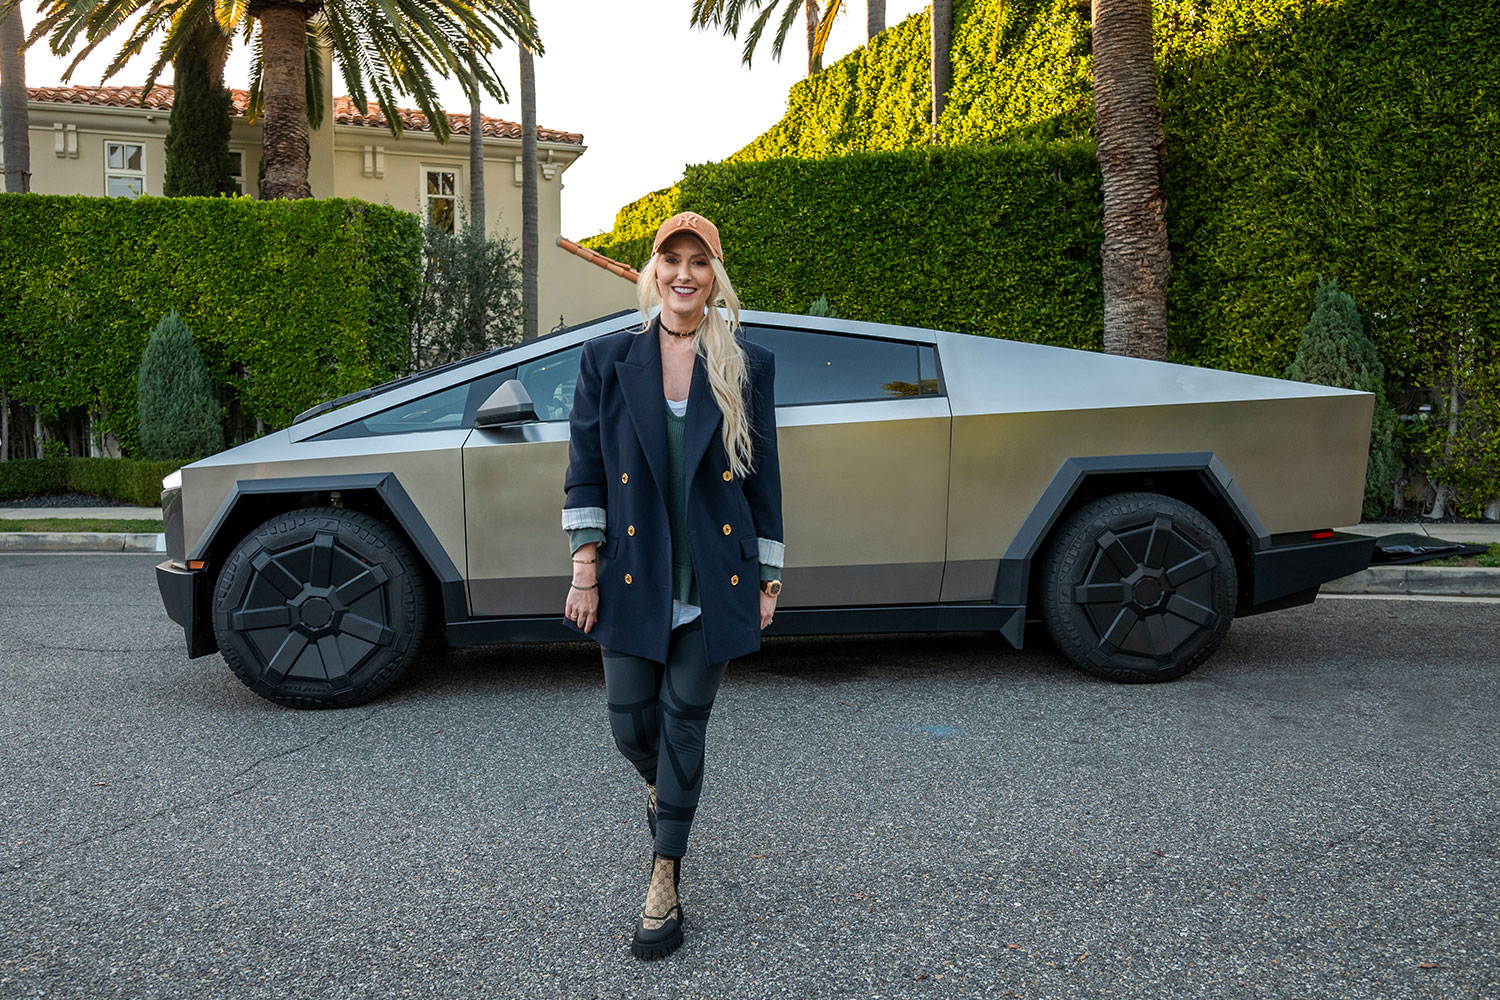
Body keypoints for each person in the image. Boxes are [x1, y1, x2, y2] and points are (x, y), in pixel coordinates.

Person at [560, 211, 784, 960]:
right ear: (652, 271)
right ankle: (670, 798)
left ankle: (664, 877)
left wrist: (770, 575)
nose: (683, 273)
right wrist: (584, 567)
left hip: (716, 578)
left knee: (684, 725)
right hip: (631, 576)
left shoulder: (747, 363)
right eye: (670, 259)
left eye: (698, 261)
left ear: (715, 274)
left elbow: (765, 478)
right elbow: (586, 469)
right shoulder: (607, 359)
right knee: (632, 726)